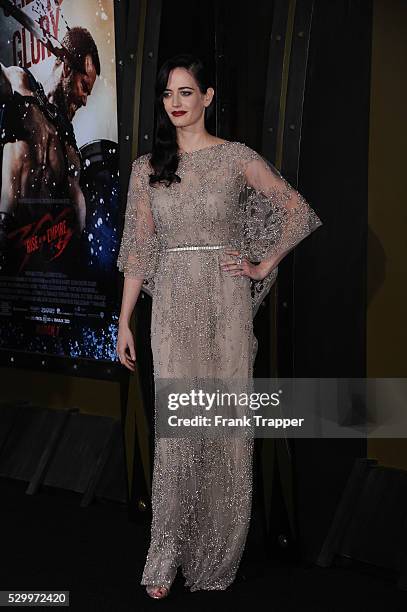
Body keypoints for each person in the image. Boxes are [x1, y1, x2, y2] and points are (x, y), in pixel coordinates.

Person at [116, 54, 322, 599]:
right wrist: (124, 321)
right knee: (177, 429)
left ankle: (215, 558)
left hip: (227, 302)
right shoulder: (147, 168)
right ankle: (163, 557)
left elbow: (295, 209)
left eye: (186, 93)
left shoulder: (236, 159)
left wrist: (260, 264)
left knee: (227, 426)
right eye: (168, 95)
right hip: (173, 305)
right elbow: (138, 251)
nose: (175, 104)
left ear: (207, 98)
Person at [0, 26, 100, 250]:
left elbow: (77, 208)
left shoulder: (70, 150)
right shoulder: (21, 86)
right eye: (84, 86)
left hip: (40, 254)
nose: (84, 101)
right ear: (66, 68)